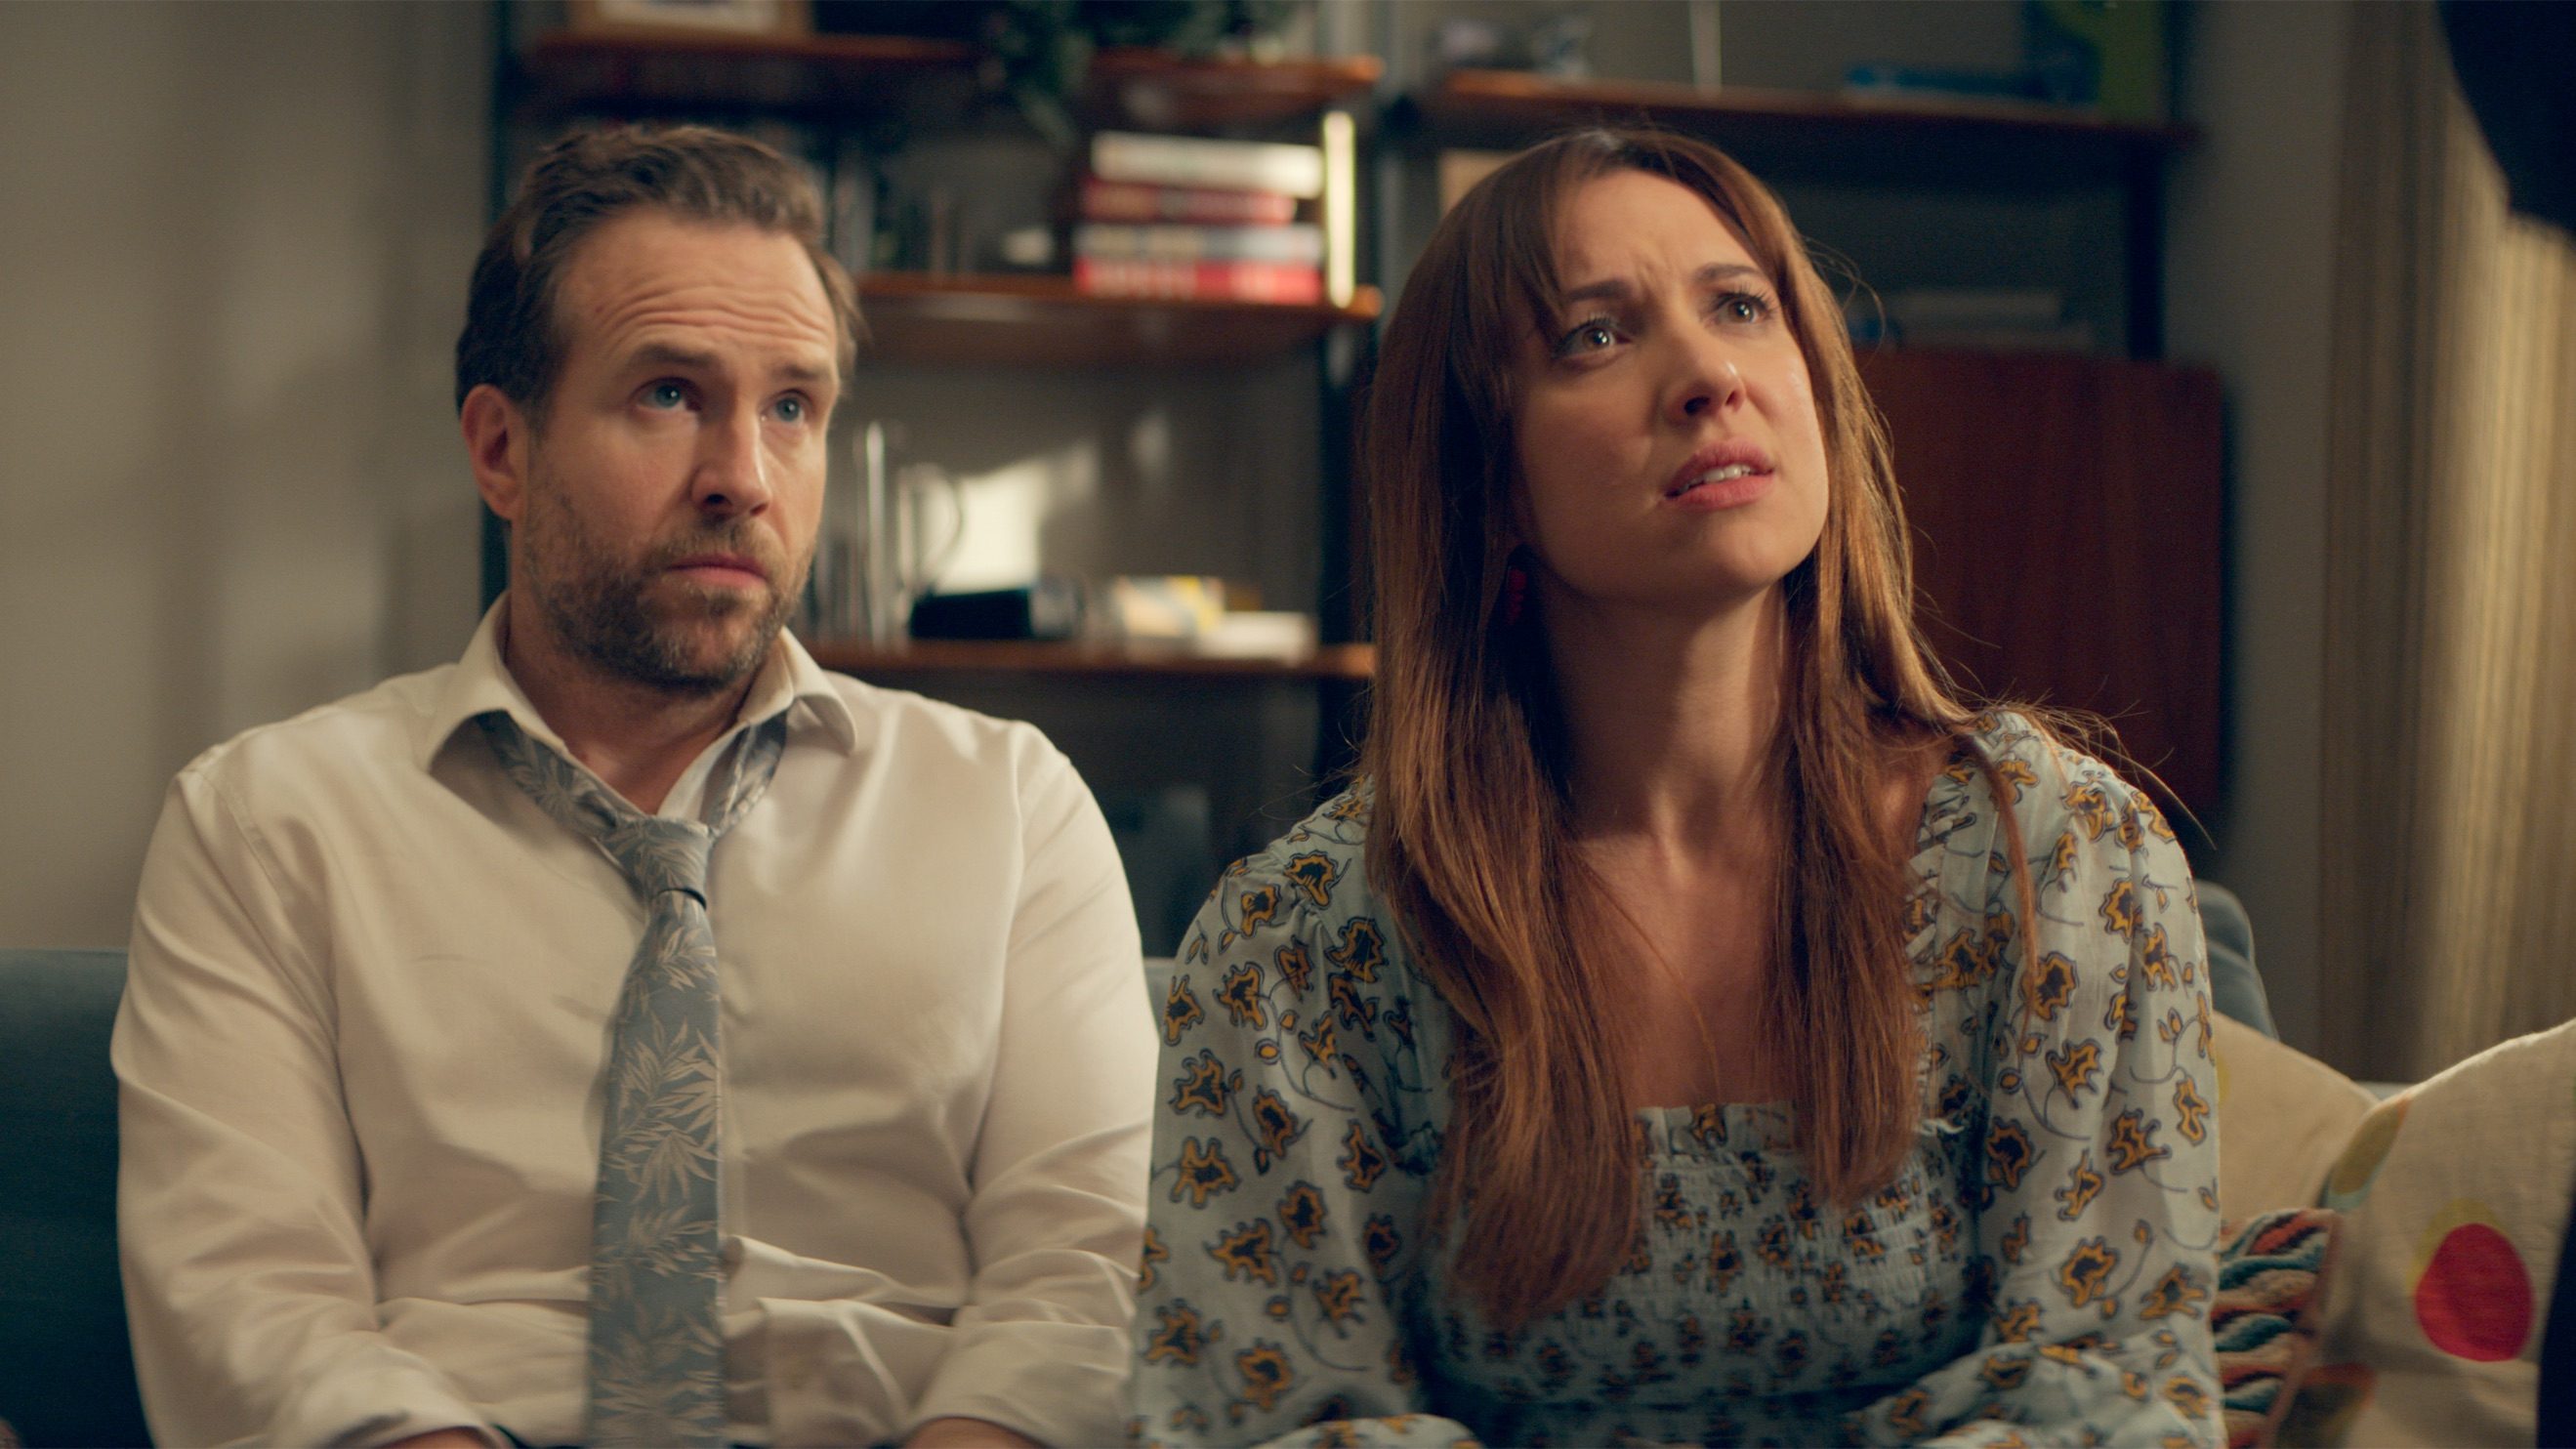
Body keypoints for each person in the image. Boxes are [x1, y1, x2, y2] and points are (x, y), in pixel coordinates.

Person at [1129, 129, 2222, 1446]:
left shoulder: (2060, 861)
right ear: (1485, 476)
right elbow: (1271, 1421)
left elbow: (2109, 1393)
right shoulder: (1302, 942)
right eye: (1595, 336)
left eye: (1741, 307)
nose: (1710, 377)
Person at [113, 125, 1152, 1449]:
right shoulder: (266, 825)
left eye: (793, 408)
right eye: (668, 394)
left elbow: (1092, 1274)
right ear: (501, 449)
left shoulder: (1010, 809)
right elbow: (248, 1306)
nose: (743, 479)